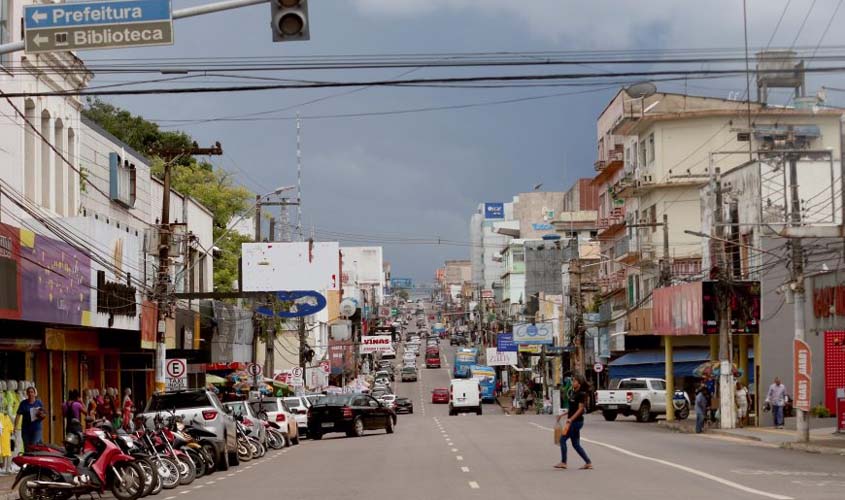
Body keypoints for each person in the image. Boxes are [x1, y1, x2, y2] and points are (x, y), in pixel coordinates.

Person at [554, 375, 592, 470]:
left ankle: (563, 462)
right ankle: (588, 462)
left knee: (562, 439)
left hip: (576, 422)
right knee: (576, 444)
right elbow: (572, 409)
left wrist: (571, 419)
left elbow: (580, 409)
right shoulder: (573, 393)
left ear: (579, 383)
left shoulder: (581, 394)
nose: (572, 383)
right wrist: (562, 415)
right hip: (572, 421)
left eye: (574, 381)